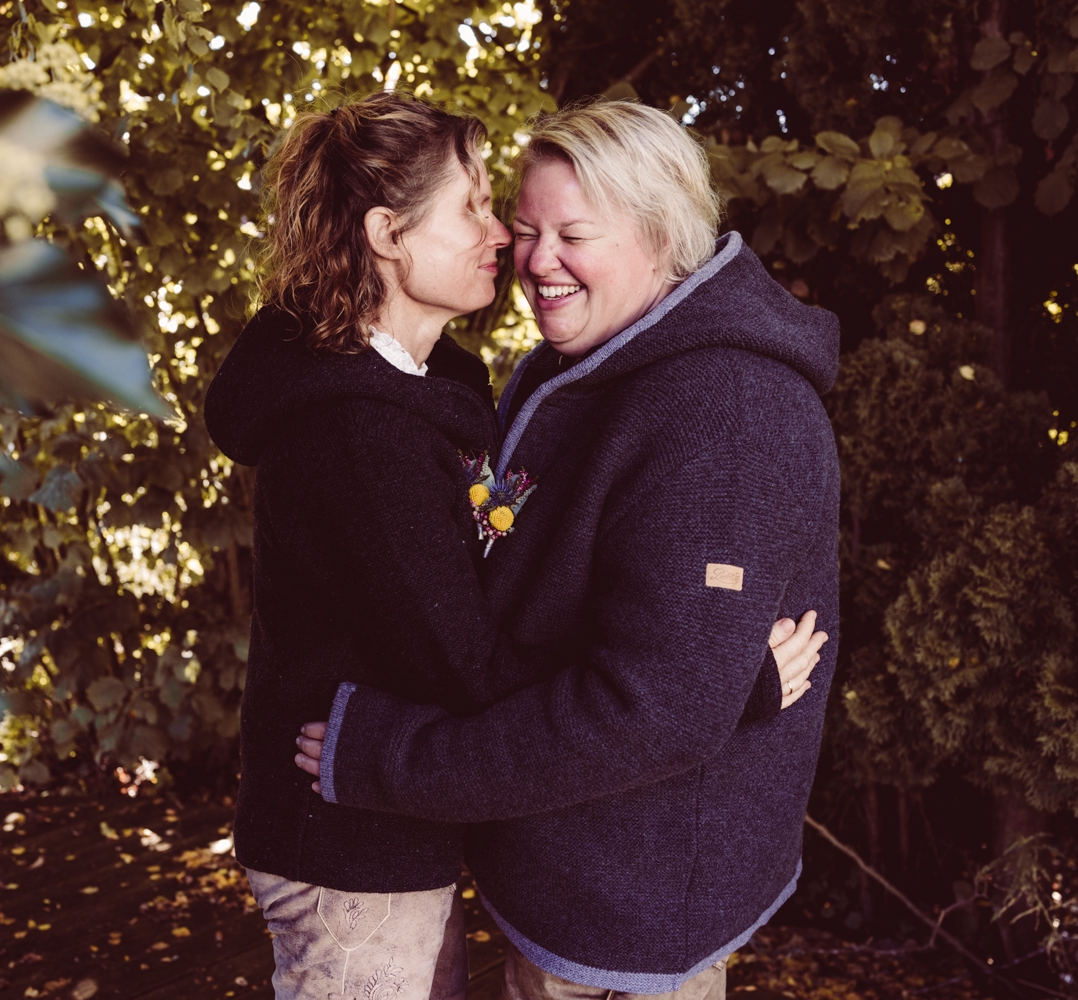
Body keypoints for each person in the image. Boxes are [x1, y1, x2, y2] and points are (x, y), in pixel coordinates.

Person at [206, 92, 826, 1000]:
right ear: (387, 234)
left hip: (612, 906)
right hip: (368, 838)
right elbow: (477, 650)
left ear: (659, 234)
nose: (521, 250)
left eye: (568, 232)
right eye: (496, 214)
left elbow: (563, 647)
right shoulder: (383, 421)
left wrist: (697, 689)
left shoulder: (709, 405)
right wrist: (724, 686)